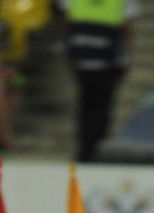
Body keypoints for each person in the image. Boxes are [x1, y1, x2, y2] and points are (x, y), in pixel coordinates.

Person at [62, 0, 138, 162]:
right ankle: (93, 149)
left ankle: (88, 150)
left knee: (89, 107)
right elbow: (127, 28)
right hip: (104, 57)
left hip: (87, 56)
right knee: (99, 108)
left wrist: (70, 52)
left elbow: (67, 22)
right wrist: (126, 56)